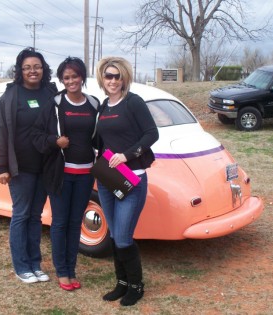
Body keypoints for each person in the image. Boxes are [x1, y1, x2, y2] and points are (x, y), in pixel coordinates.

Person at [31, 57, 100, 291]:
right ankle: (62, 272)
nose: (71, 81)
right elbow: (36, 136)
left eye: (75, 76)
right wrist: (55, 141)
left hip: (85, 174)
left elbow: (101, 136)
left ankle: (71, 269)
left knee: (74, 223)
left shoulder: (93, 103)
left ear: (82, 77)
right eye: (66, 77)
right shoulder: (55, 104)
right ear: (61, 80)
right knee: (60, 222)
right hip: (60, 175)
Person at [95, 56, 159, 306]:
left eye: (116, 76)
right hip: (108, 179)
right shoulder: (103, 106)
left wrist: (127, 155)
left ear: (124, 78)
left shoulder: (133, 102)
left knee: (123, 237)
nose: (112, 80)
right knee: (113, 236)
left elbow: (151, 133)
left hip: (132, 179)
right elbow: (102, 140)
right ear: (102, 78)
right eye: (108, 76)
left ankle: (136, 286)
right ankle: (121, 283)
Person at [0, 47, 57, 284]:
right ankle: (21, 266)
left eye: (37, 66)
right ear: (20, 70)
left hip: (46, 166)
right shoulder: (11, 96)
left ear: (43, 69)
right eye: (28, 67)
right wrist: (1, 166)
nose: (33, 71)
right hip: (20, 167)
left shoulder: (51, 92)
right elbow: (0, 132)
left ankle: (35, 264)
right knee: (21, 214)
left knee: (36, 216)